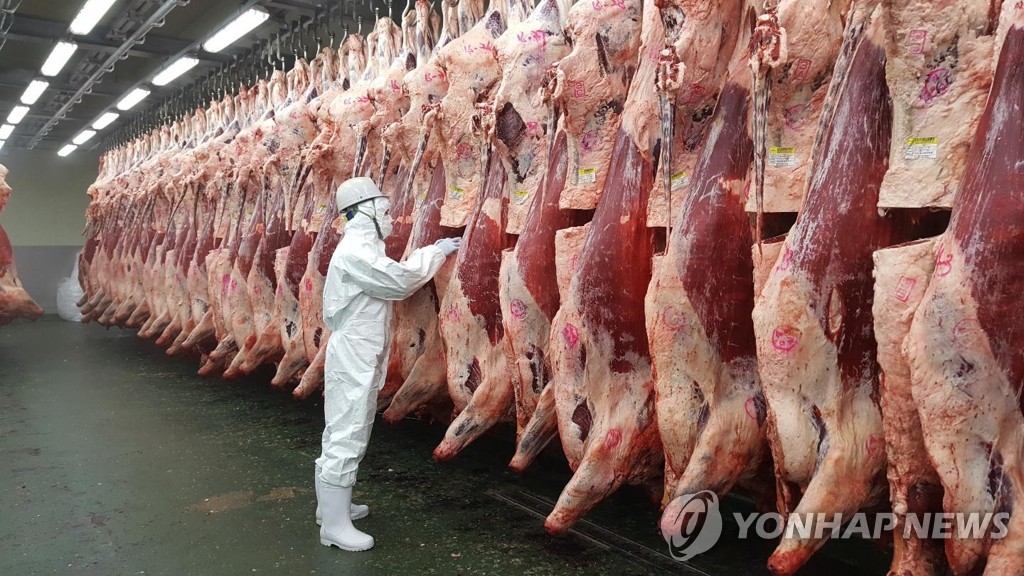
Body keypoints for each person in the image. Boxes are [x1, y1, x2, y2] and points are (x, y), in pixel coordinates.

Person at [315, 177, 460, 551]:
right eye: (383, 209)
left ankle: (331, 509)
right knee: (347, 432)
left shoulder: (361, 247)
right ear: (364, 211)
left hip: (357, 350)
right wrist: (435, 252)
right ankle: (334, 527)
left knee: (341, 429)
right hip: (354, 354)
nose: (390, 216)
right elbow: (399, 282)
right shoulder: (356, 252)